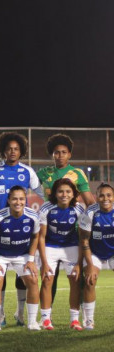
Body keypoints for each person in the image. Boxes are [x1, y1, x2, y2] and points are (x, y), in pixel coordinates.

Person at [0, 132, 44, 327]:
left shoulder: (27, 172)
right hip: (0, 225)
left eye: (16, 149)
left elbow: (42, 192)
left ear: (21, 152)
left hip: (21, 226)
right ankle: (0, 316)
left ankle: (21, 314)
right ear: (3, 151)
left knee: (24, 276)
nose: (12, 152)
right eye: (9, 149)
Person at [37, 133, 95, 305]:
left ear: (69, 154)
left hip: (73, 233)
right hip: (50, 231)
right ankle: (47, 314)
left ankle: (81, 311)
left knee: (78, 276)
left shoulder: (77, 173)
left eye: (64, 152)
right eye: (56, 152)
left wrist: (86, 226)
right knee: (49, 277)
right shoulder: (44, 173)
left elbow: (90, 203)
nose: (60, 155)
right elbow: (25, 185)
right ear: (52, 154)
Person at [0, 186, 41, 331]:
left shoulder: (33, 216)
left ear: (25, 200)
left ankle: (32, 322)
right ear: (9, 200)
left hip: (22, 255)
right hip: (1, 255)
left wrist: (31, 259)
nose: (18, 202)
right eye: (15, 199)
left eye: (21, 199)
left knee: (33, 280)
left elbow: (36, 237)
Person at [37, 178, 85, 330]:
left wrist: (79, 263)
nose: (64, 195)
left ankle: (75, 320)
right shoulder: (46, 208)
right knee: (47, 280)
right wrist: (44, 263)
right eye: (61, 191)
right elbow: (41, 237)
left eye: (68, 191)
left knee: (75, 280)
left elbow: (82, 237)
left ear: (73, 194)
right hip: (50, 247)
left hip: (71, 247)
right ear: (55, 193)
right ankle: (46, 319)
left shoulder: (79, 209)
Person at [78, 183, 114, 330]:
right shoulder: (90, 213)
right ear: (96, 197)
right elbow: (84, 240)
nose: (105, 199)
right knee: (89, 280)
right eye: (101, 195)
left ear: (113, 197)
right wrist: (91, 265)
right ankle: (88, 320)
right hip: (94, 252)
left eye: (109, 195)